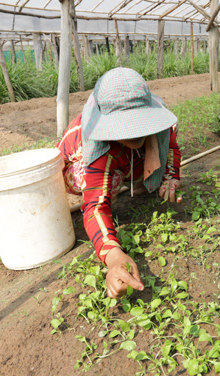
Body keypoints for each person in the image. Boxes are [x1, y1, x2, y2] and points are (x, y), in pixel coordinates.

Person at [56, 67, 182, 299]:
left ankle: (138, 179)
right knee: (109, 179)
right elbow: (95, 208)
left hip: (122, 160)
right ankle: (118, 181)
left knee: (154, 158)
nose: (134, 131)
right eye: (126, 126)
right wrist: (114, 256)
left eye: (139, 122)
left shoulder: (161, 127)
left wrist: (170, 177)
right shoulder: (97, 147)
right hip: (77, 169)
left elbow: (171, 146)